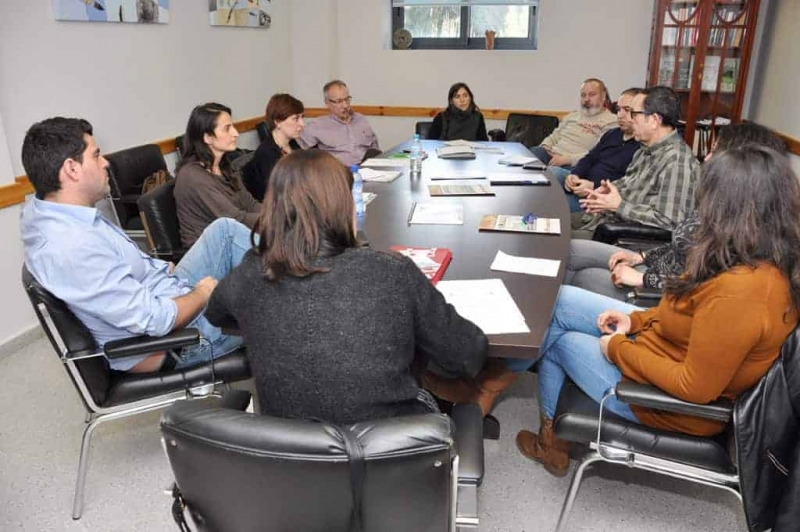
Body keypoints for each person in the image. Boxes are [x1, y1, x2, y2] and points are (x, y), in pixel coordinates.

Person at [514, 145, 800, 477]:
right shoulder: (743, 253)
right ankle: (502, 376)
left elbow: (695, 388)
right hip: (660, 347)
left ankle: (548, 442)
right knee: (559, 300)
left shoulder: (745, 291)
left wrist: (620, 349)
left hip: (669, 405)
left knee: (561, 342)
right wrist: (635, 319)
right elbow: (686, 310)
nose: (701, 206)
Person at [205, 149, 487, 425]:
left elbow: (216, 313)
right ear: (344, 206)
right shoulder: (391, 271)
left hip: (290, 451)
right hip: (390, 454)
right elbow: (467, 353)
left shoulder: (252, 271)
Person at [20, 117, 251, 373]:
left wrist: (160, 268)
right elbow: (157, 320)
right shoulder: (71, 247)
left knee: (224, 230)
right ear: (72, 169)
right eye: (96, 155)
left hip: (164, 289)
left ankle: (295, 279)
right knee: (275, 309)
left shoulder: (54, 212)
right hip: (174, 342)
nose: (106, 162)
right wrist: (203, 294)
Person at [566, 122, 787, 300]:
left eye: (714, 152)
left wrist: (644, 279)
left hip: (664, 293)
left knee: (579, 280)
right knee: (570, 251)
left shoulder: (745, 233)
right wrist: (639, 256)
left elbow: (700, 287)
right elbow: (677, 246)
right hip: (652, 267)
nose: (706, 158)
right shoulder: (720, 203)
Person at [572, 86, 699, 238]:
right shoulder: (644, 150)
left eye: (634, 114)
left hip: (623, 237)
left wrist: (618, 206)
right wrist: (608, 191)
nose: (630, 120)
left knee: (556, 242)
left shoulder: (677, 163)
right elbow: (629, 185)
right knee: (549, 224)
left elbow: (671, 222)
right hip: (602, 220)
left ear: (653, 120)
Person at [174, 102, 260, 248]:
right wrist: (276, 219)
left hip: (234, 239)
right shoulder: (193, 177)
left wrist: (276, 213)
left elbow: (250, 204)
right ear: (207, 138)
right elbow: (236, 219)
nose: (236, 133)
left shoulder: (225, 166)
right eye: (227, 128)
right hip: (211, 253)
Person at [552, 88, 643, 212]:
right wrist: (575, 174)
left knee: (552, 204)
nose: (620, 115)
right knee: (550, 173)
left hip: (599, 198)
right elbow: (590, 157)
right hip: (582, 182)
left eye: (627, 110)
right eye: (618, 109)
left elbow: (628, 183)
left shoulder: (643, 145)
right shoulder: (613, 133)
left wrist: (593, 186)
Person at [529, 78, 617, 170]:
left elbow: (599, 153)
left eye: (592, 95)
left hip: (575, 165)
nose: (587, 99)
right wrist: (545, 146)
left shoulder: (611, 121)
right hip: (552, 156)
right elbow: (554, 136)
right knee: (532, 154)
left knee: (551, 173)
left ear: (603, 96)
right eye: (583, 95)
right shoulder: (572, 116)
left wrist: (568, 159)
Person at [298, 80, 380, 167]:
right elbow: (298, 152)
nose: (345, 105)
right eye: (339, 101)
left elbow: (375, 148)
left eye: (347, 99)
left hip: (368, 170)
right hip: (339, 173)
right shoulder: (316, 126)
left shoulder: (361, 119)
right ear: (327, 103)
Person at [242, 93, 305, 201]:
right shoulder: (266, 153)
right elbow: (279, 194)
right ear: (277, 122)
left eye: (302, 118)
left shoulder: (293, 144)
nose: (302, 124)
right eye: (295, 119)